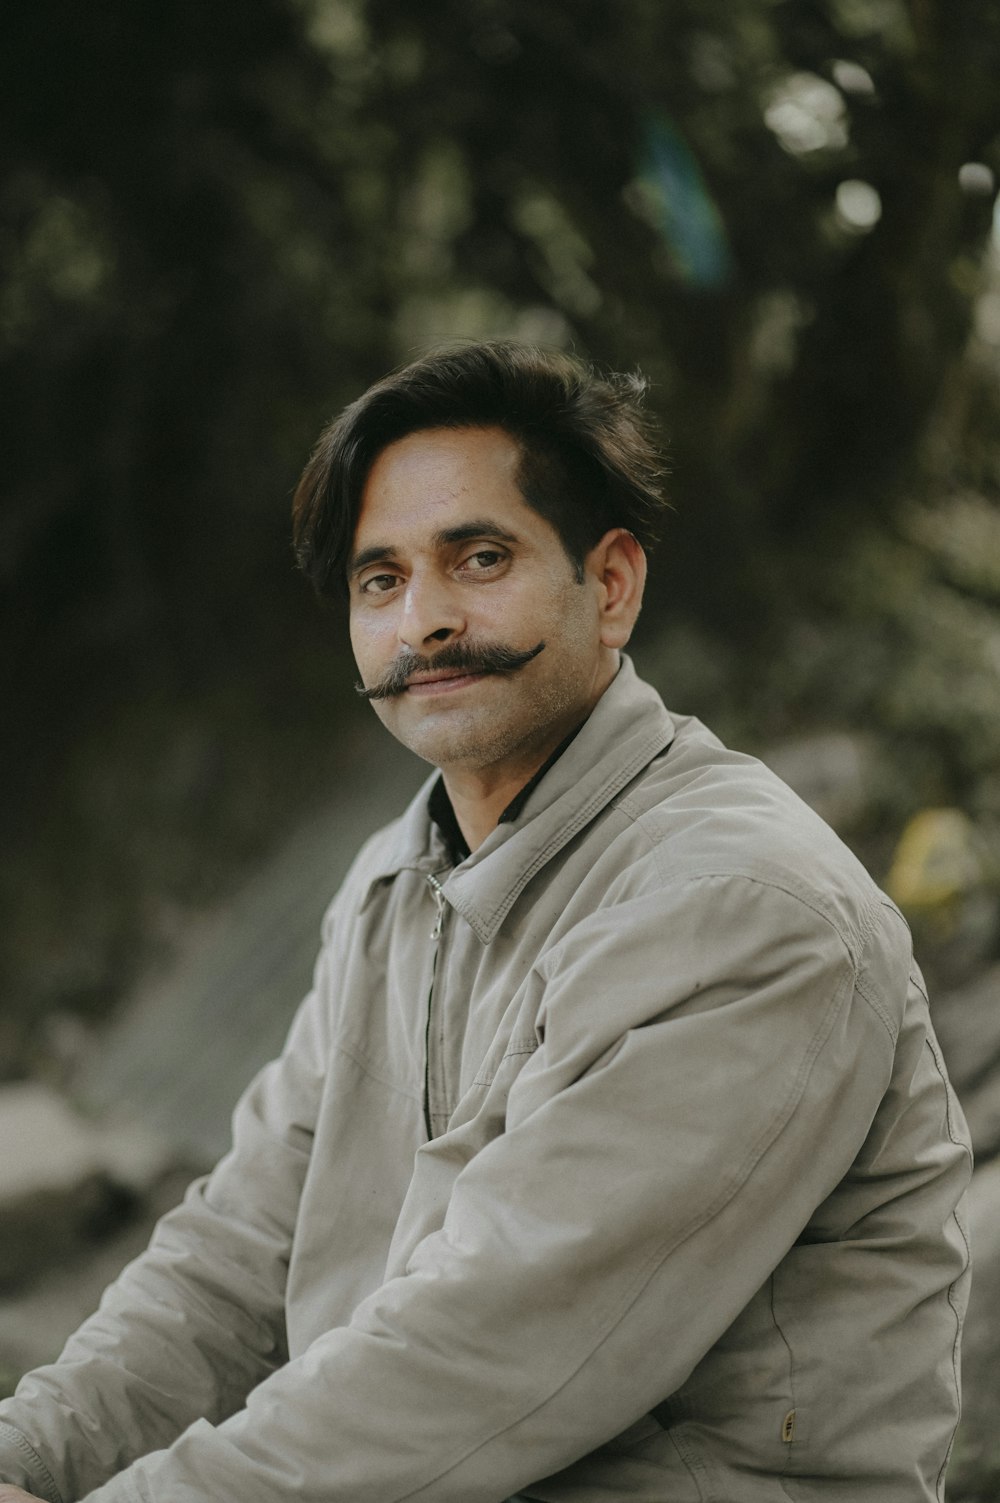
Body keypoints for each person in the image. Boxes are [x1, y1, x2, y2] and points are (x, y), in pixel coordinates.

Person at [0, 342, 972, 1503]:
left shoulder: (741, 911)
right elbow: (240, 1252)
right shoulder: (395, 878)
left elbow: (487, 1357)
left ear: (610, 584)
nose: (427, 620)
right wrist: (29, 1456)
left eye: (479, 557)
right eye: (380, 580)